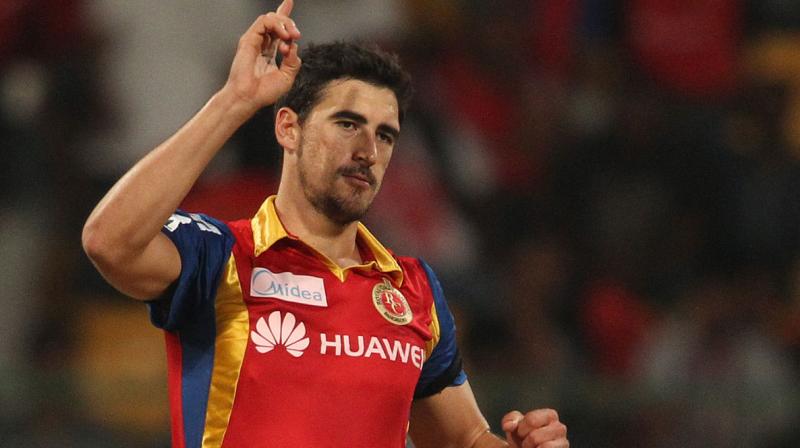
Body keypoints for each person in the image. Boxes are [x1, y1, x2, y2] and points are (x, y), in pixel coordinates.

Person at [81, 1, 569, 446]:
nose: (369, 151)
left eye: (385, 135)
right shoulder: (222, 257)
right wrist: (234, 100)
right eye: (348, 124)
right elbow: (108, 241)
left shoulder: (413, 288)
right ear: (288, 128)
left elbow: (464, 438)